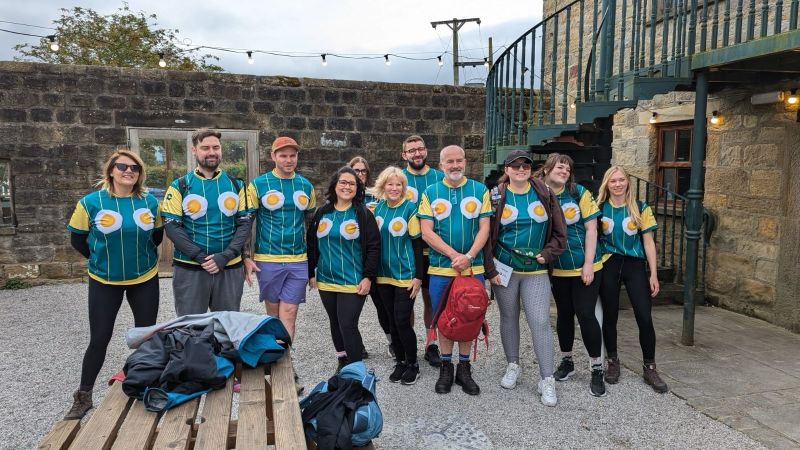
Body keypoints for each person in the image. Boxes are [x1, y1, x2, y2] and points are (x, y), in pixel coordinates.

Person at [64, 150, 163, 419]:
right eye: (122, 166)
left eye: (135, 168)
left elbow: (156, 237)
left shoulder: (150, 203)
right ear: (111, 170)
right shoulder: (90, 203)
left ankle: (144, 384)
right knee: (99, 338)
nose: (128, 171)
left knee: (145, 337)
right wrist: (101, 260)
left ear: (140, 174)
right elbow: (77, 240)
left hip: (144, 278)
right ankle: (83, 396)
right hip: (103, 281)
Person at [483, 150, 566, 406]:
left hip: (536, 270)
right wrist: (490, 270)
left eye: (526, 166)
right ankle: (513, 365)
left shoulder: (545, 193)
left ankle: (547, 378)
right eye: (515, 166)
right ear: (506, 170)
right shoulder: (496, 196)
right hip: (505, 268)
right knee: (508, 317)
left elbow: (560, 232)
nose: (521, 170)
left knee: (540, 322)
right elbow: (486, 236)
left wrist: (548, 253)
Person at [418, 145, 491, 395]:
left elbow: (484, 228)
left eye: (459, 161)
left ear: (465, 162)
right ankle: (446, 366)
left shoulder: (479, 190)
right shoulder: (430, 192)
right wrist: (453, 255)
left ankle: (465, 367)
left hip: (473, 268)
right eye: (449, 162)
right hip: (441, 268)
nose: (455, 165)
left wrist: (469, 256)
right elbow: (426, 231)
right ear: (441, 165)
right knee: (443, 318)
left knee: (469, 316)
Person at [535, 153, 606, 397]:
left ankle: (597, 368)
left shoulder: (579, 193)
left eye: (567, 168)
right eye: (559, 167)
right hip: (557, 267)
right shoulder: (537, 193)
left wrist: (588, 263)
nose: (564, 171)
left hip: (584, 265)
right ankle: (567, 361)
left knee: (585, 313)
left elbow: (591, 228)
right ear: (546, 169)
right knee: (564, 314)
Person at [161, 129, 251, 316]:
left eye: (216, 147)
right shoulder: (180, 185)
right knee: (190, 329)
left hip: (229, 266)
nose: (211, 152)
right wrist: (201, 257)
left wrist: (225, 256)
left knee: (226, 328)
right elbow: (172, 227)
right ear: (194, 151)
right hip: (190, 267)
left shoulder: (237, 185)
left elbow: (244, 224)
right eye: (205, 148)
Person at [596, 166, 668, 393]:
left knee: (644, 316)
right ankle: (613, 362)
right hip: (609, 263)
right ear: (607, 184)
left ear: (628, 182)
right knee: (610, 315)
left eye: (621, 180)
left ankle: (650, 366)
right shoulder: (599, 209)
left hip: (635, 265)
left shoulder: (641, 208)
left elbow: (648, 243)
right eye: (613, 181)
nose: (617, 184)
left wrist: (653, 274)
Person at [307, 166, 380, 373]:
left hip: (353, 280)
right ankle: (342, 360)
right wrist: (311, 272)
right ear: (335, 185)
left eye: (352, 183)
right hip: (327, 279)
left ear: (358, 188)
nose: (347, 187)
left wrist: (368, 277)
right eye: (343, 182)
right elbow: (311, 242)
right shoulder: (323, 212)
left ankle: (356, 369)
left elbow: (374, 247)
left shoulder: (362, 214)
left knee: (347, 324)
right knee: (335, 322)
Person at [242, 137, 315, 341]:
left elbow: (312, 228)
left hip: (298, 260)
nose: (289, 160)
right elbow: (247, 222)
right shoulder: (258, 184)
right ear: (273, 156)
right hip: (268, 259)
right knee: (273, 316)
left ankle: (286, 364)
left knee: (290, 313)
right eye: (283, 155)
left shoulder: (306, 185)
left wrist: (314, 263)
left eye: (293, 155)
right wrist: (246, 256)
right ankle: (274, 363)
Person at [370, 166, 425, 385]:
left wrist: (418, 277)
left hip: (405, 274)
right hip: (383, 275)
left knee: (402, 320)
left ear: (404, 187)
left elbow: (417, 245)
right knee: (392, 321)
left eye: (398, 184)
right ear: (383, 186)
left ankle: (413, 364)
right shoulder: (378, 209)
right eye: (390, 184)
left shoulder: (410, 209)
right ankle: (400, 361)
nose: (394, 188)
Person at [400, 135, 445, 367]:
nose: (416, 154)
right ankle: (408, 344)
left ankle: (431, 343)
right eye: (411, 150)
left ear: (426, 151)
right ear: (404, 155)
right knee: (407, 301)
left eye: (420, 149)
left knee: (431, 299)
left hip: (434, 250)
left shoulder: (439, 177)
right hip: (406, 251)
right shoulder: (398, 179)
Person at [348, 156, 392, 358]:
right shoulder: (344, 195)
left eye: (363, 171)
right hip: (352, 258)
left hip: (375, 257)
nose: (360, 174)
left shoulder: (377, 197)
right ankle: (356, 345)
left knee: (382, 305)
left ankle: (392, 342)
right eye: (356, 170)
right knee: (350, 308)